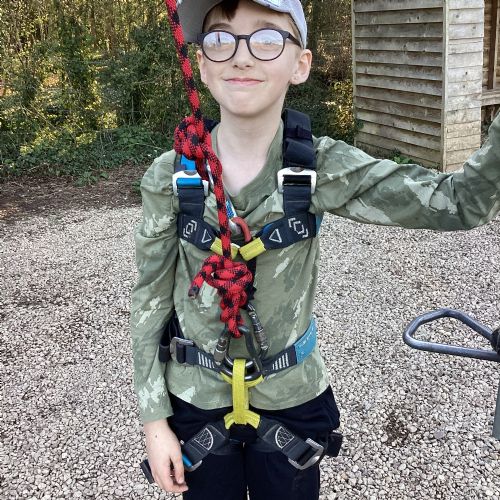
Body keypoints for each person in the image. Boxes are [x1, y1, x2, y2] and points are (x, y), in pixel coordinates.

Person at [130, 0, 500, 499]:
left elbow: (459, 203)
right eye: (220, 39)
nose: (241, 55)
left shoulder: (322, 167)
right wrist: (154, 420)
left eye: (267, 38)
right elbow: (150, 298)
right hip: (194, 401)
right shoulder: (171, 176)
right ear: (202, 63)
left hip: (292, 398)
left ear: (300, 64)